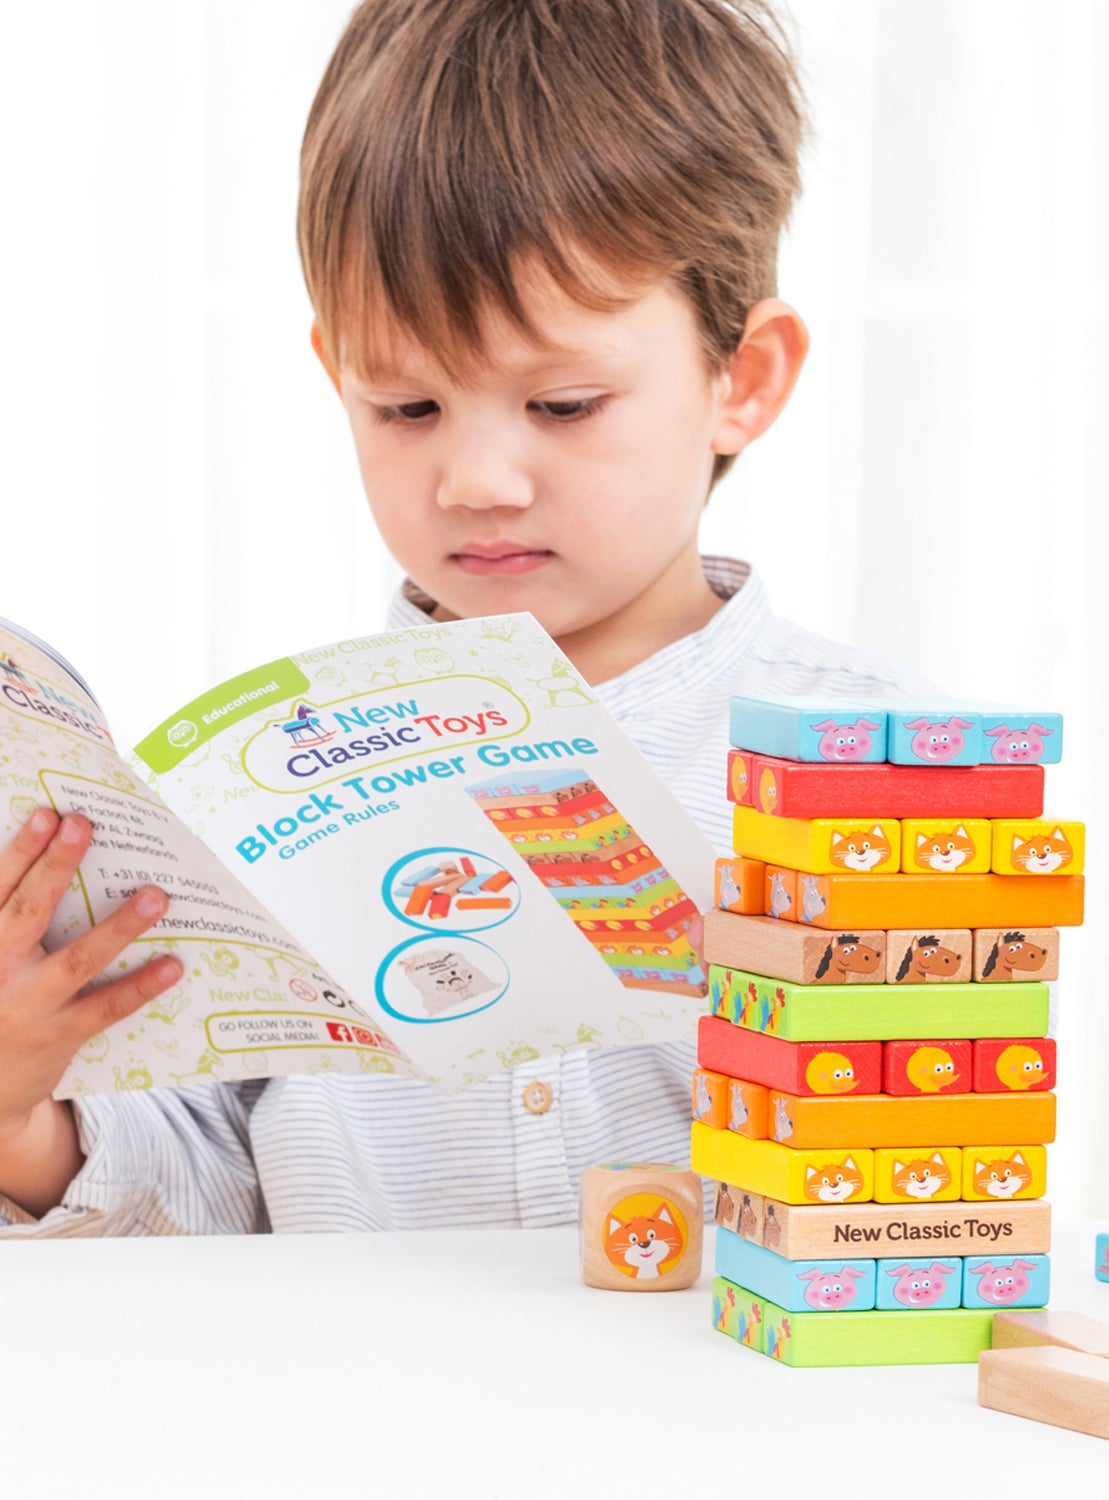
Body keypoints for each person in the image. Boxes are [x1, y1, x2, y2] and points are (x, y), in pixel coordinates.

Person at [0, 0, 930, 1235]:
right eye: (406, 407)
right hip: (360, 1418)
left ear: (740, 380)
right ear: (337, 374)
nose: (475, 480)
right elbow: (209, 1193)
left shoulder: (875, 770)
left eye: (564, 405)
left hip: (714, 1417)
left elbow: (929, 1186)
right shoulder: (266, 792)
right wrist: (24, 1119)